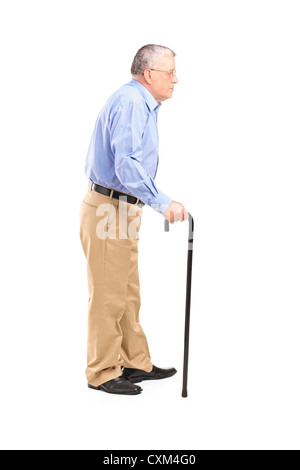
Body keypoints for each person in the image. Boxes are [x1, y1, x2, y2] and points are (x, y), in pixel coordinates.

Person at [79, 44, 189, 395]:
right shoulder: (131, 103)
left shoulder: (143, 103)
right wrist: (163, 202)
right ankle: (101, 371)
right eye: (169, 72)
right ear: (148, 75)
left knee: (126, 292)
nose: (175, 79)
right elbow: (126, 164)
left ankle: (135, 362)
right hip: (109, 208)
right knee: (109, 297)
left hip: (123, 208)